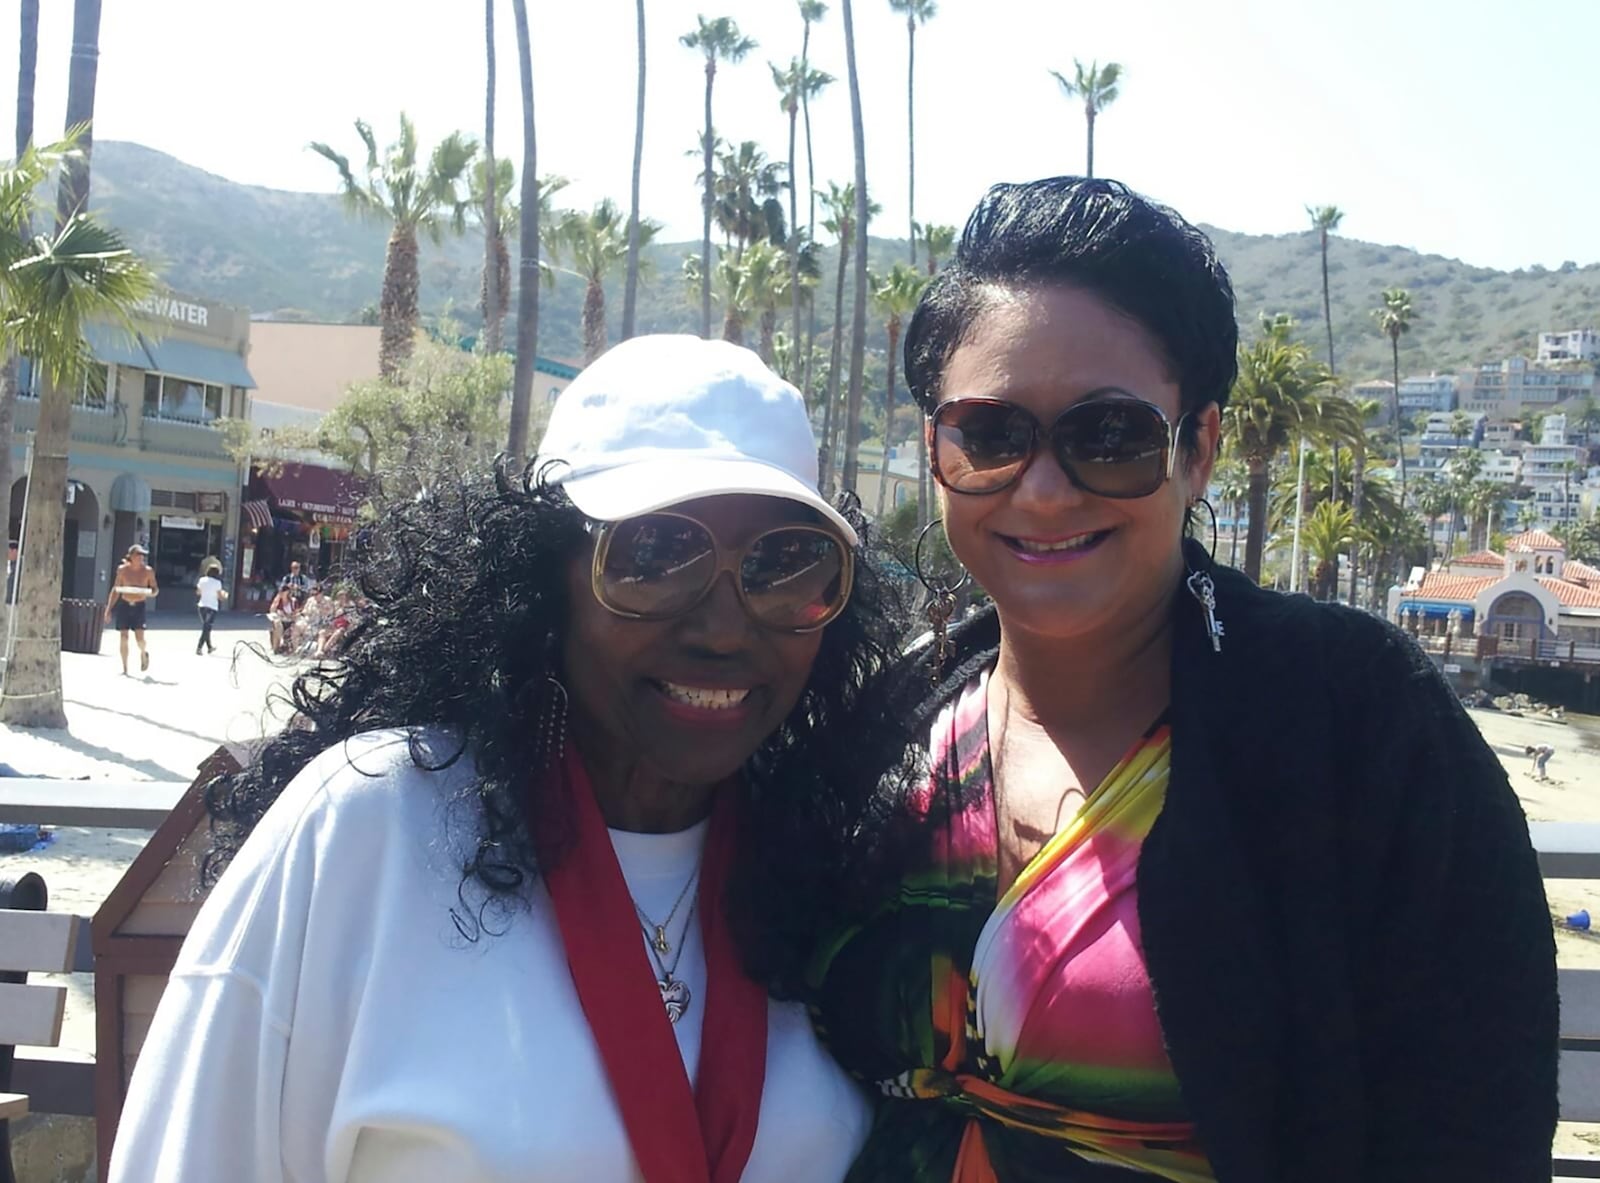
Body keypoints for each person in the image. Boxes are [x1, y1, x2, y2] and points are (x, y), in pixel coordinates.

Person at [740, 179, 1558, 1182]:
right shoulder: (891, 729)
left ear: (1199, 448)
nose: (1042, 489)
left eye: (1109, 438)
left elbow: (1471, 1116)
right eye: (990, 435)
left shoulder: (1349, 721)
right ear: (935, 450)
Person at [108, 335, 896, 1182]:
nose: (724, 628)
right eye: (655, 556)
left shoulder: (831, 870)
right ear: (539, 573)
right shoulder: (367, 826)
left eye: (784, 564)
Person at [104, 544, 158, 675]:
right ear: (131, 556)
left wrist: (150, 593)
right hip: (125, 604)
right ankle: (125, 668)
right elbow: (116, 589)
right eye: (138, 555)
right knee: (123, 637)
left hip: (139, 605)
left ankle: (144, 653)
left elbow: (155, 588)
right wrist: (108, 609)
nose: (141, 558)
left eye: (142, 555)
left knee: (140, 639)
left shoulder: (148, 571)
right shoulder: (122, 570)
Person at [195, 562, 227, 655]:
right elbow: (220, 597)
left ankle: (209, 647)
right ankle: (199, 647)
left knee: (206, 627)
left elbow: (198, 592)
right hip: (212, 607)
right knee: (207, 627)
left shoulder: (202, 580)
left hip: (202, 605)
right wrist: (225, 595)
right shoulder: (218, 583)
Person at [266, 583, 298, 655]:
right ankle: (277, 646)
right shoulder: (278, 601)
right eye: (281, 591)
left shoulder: (293, 601)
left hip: (290, 621)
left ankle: (284, 645)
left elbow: (296, 613)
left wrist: (289, 616)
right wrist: (277, 599)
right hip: (280, 622)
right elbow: (272, 610)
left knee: (279, 626)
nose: (282, 592)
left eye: (284, 591)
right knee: (277, 624)